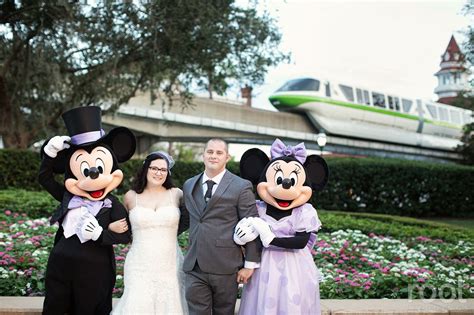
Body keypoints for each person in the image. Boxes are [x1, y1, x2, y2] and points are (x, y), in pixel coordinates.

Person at [182, 138, 262, 315]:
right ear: (203, 155)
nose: (213, 156)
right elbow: (186, 218)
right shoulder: (189, 185)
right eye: (210, 152)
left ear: (227, 157)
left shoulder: (241, 186)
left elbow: (253, 225)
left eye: (219, 153)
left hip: (225, 266)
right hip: (194, 265)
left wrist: (249, 264)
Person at [111, 151, 189, 315]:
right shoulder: (130, 197)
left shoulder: (177, 194)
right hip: (140, 264)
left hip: (170, 264)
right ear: (146, 169)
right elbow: (124, 229)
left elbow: (190, 219)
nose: (158, 173)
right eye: (154, 168)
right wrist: (112, 228)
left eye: (163, 170)